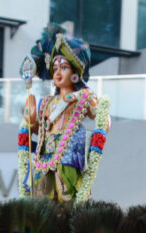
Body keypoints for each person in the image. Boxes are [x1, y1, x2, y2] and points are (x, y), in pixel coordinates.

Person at [19, 25, 109, 204]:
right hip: (44, 162)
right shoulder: (46, 102)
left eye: (64, 67)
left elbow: (103, 121)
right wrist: (30, 120)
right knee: (41, 207)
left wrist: (99, 111)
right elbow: (39, 131)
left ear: (75, 72)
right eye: (55, 67)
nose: (58, 72)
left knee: (67, 205)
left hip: (68, 160)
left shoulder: (83, 97)